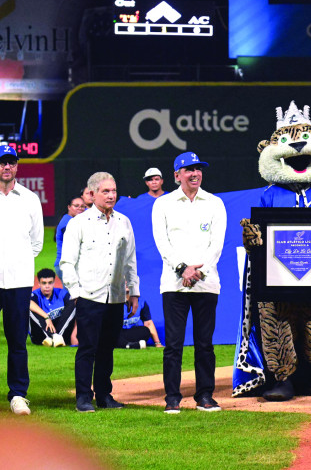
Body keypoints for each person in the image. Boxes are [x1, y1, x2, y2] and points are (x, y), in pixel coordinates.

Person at [152, 152, 226, 414]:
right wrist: (183, 269)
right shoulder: (163, 204)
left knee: (204, 343)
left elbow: (216, 245)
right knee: (173, 344)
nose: (195, 173)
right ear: (176, 175)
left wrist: (199, 272)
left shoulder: (215, 203)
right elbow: (163, 244)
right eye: (188, 169)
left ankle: (205, 395)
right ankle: (172, 397)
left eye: (198, 169)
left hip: (206, 284)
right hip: (174, 284)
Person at [61, 172, 139, 413]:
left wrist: (133, 292)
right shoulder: (78, 223)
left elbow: (130, 262)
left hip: (115, 297)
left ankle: (104, 395)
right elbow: (67, 263)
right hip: (89, 297)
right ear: (92, 194)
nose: (111, 195)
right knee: (87, 348)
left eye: (114, 191)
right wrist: (76, 293)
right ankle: (83, 397)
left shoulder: (124, 222)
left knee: (107, 348)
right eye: (106, 191)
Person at [0, 144, 43, 415]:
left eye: (11, 162)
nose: (6, 167)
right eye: (2, 162)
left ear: (17, 166)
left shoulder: (29, 198)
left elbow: (37, 242)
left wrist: (17, 261)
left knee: (17, 339)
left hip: (17, 280)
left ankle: (17, 394)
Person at [29, 268, 77, 347]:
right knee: (28, 309)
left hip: (62, 333)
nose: (47, 286)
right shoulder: (35, 295)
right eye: (44, 283)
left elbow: (74, 307)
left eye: (50, 283)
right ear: (39, 284)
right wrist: (46, 317)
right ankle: (54, 336)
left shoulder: (61, 293)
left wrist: (74, 333)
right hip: (41, 336)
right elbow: (29, 303)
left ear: (54, 282)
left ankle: (56, 336)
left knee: (74, 303)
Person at [54, 196, 87, 279]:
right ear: (69, 207)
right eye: (76, 206)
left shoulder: (74, 220)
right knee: (72, 291)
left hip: (70, 265)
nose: (80, 208)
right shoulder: (67, 222)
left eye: (82, 206)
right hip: (67, 265)